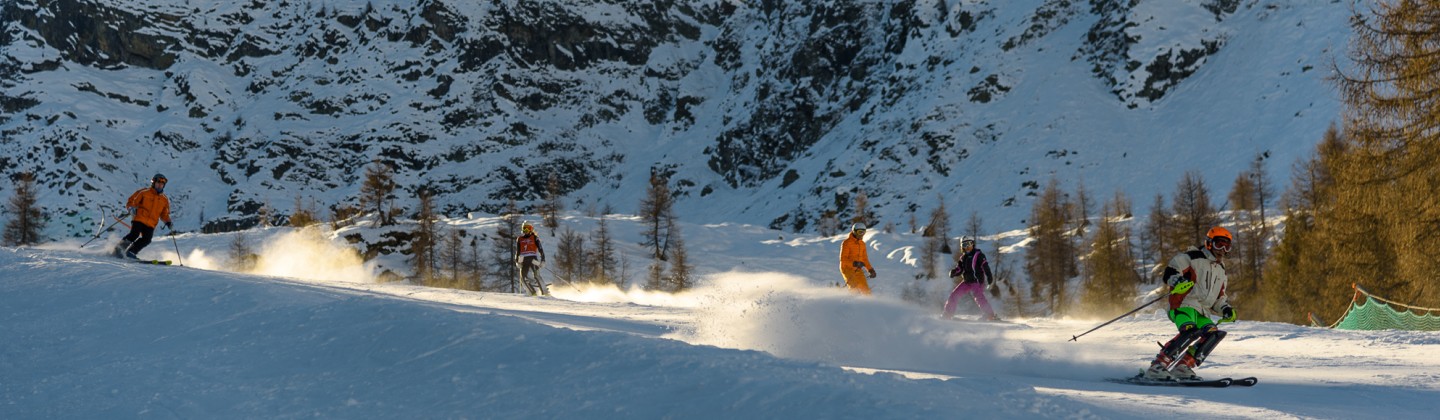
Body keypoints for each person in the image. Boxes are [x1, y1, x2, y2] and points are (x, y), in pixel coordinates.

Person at [1144, 226, 1237, 381]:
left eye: (1226, 246)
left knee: (1213, 334)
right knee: (1190, 330)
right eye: (1218, 244)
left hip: (1202, 311)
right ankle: (1157, 366)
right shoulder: (1193, 257)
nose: (1222, 249)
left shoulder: (1221, 270)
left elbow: (1218, 299)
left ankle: (1183, 366)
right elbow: (1171, 270)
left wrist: (1225, 309)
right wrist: (1177, 280)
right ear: (1209, 243)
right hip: (1183, 305)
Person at [114, 174, 172, 259]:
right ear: (154, 183)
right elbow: (131, 201)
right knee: (134, 234)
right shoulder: (144, 192)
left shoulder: (164, 199)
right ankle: (118, 249)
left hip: (151, 223)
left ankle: (131, 252)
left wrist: (168, 221)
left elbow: (164, 214)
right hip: (139, 218)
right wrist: (131, 208)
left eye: (162, 184)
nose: (160, 185)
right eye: (158, 182)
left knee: (147, 239)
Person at [942, 237, 999, 321]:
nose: (967, 247)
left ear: (973, 244)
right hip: (966, 282)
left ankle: (990, 315)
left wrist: (989, 276)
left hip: (977, 281)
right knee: (954, 295)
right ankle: (947, 314)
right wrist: (954, 272)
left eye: (969, 244)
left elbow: (985, 266)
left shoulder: (978, 255)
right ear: (962, 247)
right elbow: (959, 269)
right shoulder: (963, 258)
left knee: (978, 296)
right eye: (964, 245)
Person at [838, 223, 876, 295]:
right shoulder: (846, 243)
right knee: (854, 287)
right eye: (859, 232)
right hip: (846, 268)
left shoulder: (862, 244)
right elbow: (843, 259)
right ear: (854, 231)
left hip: (858, 268)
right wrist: (854, 263)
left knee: (865, 289)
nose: (861, 234)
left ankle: (868, 303)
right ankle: (852, 302)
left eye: (863, 232)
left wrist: (870, 270)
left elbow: (864, 259)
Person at [514, 221, 548, 295]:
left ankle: (545, 292)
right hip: (524, 260)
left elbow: (540, 249)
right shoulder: (519, 239)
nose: (526, 230)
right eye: (524, 228)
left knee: (536, 275)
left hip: (533, 259)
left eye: (528, 228)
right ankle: (532, 293)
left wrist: (543, 260)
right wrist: (517, 261)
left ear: (531, 229)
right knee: (523, 278)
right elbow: (518, 251)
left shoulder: (534, 238)